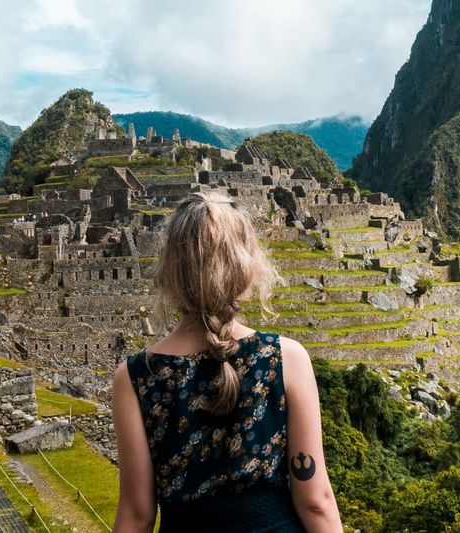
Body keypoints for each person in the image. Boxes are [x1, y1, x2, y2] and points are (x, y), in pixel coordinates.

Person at [112, 192, 341, 533]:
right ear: (246, 267)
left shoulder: (136, 377)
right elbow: (314, 499)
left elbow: (137, 515)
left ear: (171, 271)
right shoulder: (285, 359)